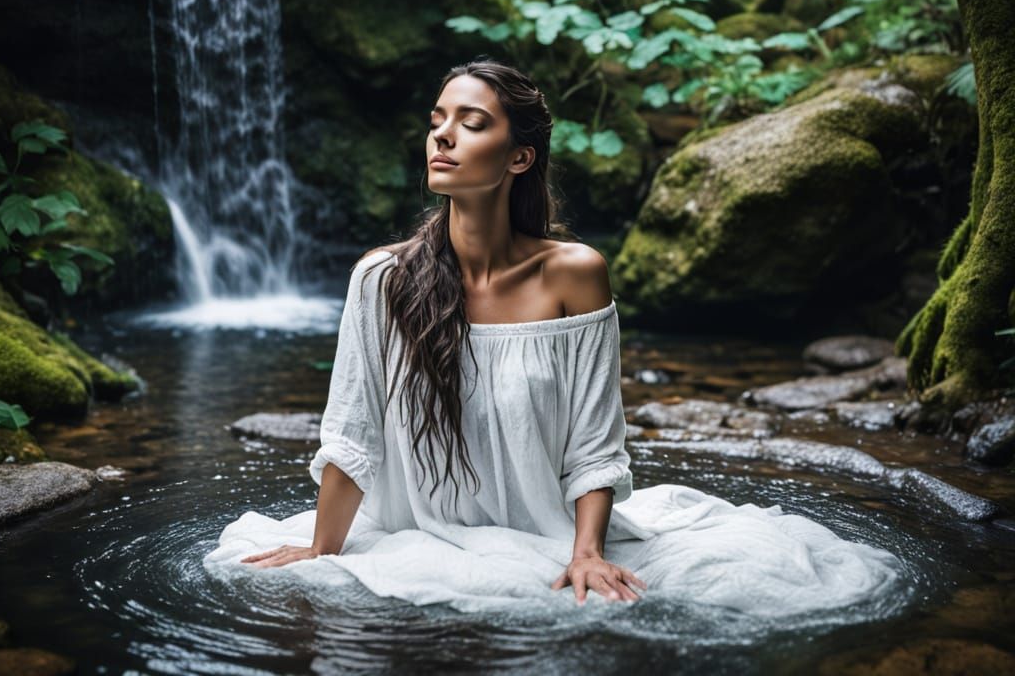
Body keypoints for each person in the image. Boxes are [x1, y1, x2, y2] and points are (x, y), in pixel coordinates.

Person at [204, 58, 906, 616]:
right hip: (415, 534)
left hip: (542, 534)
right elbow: (353, 433)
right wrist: (325, 549)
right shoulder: (381, 279)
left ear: (519, 158)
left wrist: (587, 552)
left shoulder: (575, 274)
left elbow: (594, 446)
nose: (442, 136)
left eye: (471, 123)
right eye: (437, 120)